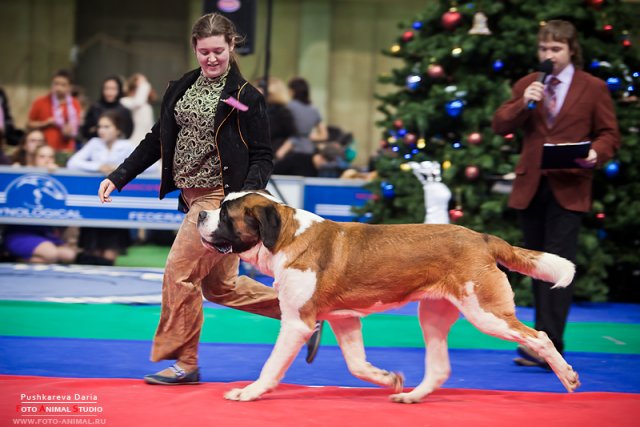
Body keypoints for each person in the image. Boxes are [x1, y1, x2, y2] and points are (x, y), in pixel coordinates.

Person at [97, 13, 321, 385]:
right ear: (195, 49)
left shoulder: (247, 97)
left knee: (179, 274)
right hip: (192, 197)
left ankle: (185, 363)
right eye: (204, 52)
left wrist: (241, 199)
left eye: (218, 50)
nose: (212, 58)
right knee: (221, 287)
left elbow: (263, 155)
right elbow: (157, 140)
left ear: (232, 47)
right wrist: (119, 176)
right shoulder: (181, 87)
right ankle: (306, 315)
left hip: (220, 201)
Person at [492, 20, 620, 368]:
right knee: (535, 269)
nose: (548, 55)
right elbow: (500, 123)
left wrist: (597, 153)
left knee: (559, 268)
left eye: (556, 49)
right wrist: (524, 102)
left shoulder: (592, 88)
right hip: (531, 187)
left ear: (571, 50)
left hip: (570, 186)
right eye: (544, 49)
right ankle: (540, 340)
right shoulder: (528, 83)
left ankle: (552, 345)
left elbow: (609, 133)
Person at [68, 110, 134, 264]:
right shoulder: (94, 143)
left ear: (118, 129)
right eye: (100, 126)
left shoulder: (127, 145)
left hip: (118, 206)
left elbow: (150, 167)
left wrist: (120, 169)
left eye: (106, 126)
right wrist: (98, 166)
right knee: (92, 254)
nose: (101, 130)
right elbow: (72, 163)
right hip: (95, 204)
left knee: (109, 255)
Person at [2, 145, 78, 263]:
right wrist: (15, 171)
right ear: (34, 159)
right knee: (51, 254)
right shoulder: (21, 176)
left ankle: (22, 259)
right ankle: (14, 258)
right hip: (20, 233)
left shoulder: (55, 182)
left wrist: (57, 175)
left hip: (45, 235)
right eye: (42, 157)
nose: (47, 160)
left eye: (50, 157)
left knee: (69, 255)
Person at [27, 69, 82, 155]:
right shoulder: (40, 102)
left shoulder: (75, 104)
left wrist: (68, 131)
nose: (58, 88)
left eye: (63, 85)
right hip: (44, 152)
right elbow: (29, 125)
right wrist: (45, 123)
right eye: (56, 84)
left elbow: (75, 128)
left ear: (70, 87)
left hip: (66, 151)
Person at [81, 76, 134, 143]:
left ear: (119, 90)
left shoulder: (124, 111)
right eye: (107, 88)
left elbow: (127, 133)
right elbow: (85, 131)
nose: (109, 92)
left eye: (113, 89)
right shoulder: (95, 108)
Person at [286, 77, 328, 154]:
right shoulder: (314, 109)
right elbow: (324, 135)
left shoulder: (289, 106)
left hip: (291, 149)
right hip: (309, 150)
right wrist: (308, 136)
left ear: (292, 91)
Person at [120, 73, 156, 149]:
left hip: (147, 138)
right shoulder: (125, 101)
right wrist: (144, 85)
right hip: (134, 139)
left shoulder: (146, 106)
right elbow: (138, 102)